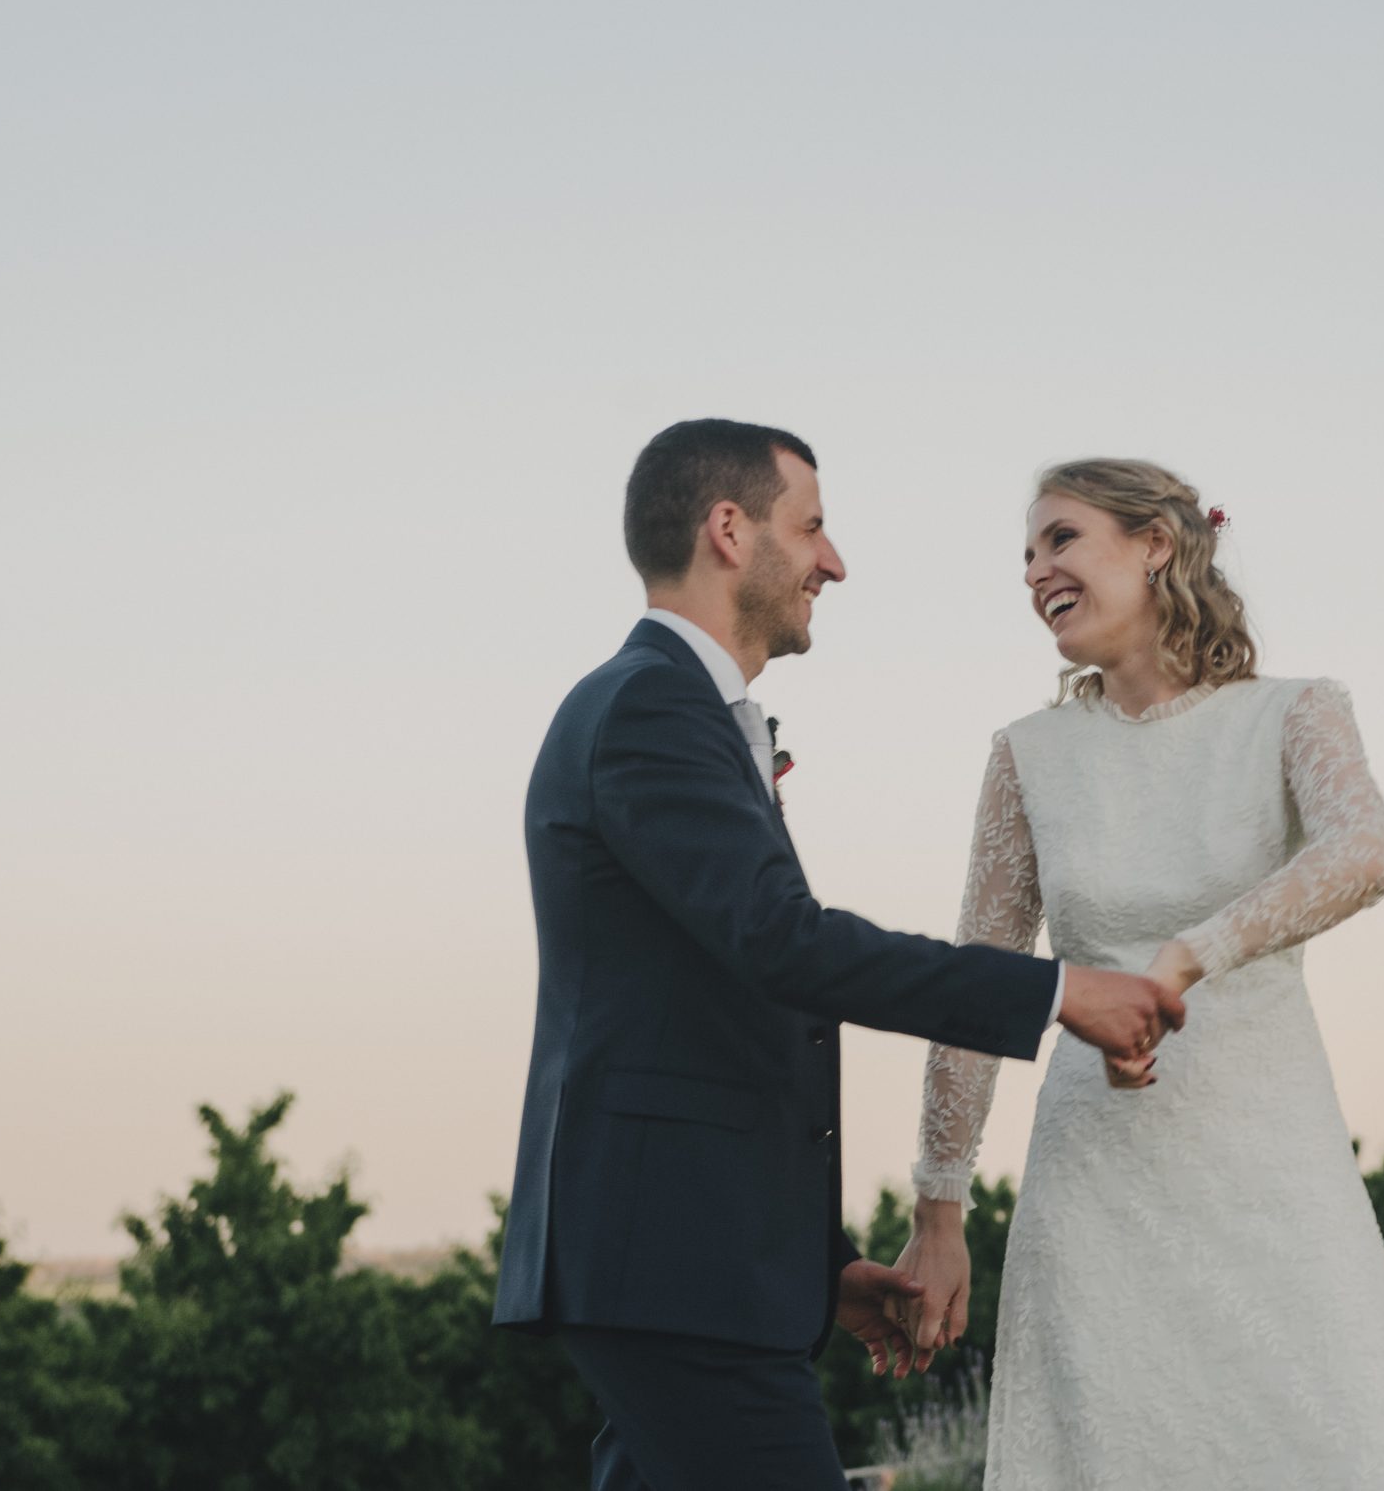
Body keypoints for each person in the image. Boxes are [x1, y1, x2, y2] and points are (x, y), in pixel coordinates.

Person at [493, 420, 1189, 1491]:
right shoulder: (649, 704)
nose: (834, 560)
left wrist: (822, 1270)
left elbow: (715, 1008)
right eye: (811, 526)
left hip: (683, 1265)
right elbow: (785, 945)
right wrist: (1056, 990)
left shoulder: (674, 708)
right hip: (672, 1270)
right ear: (730, 531)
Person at [891, 456, 1384, 1489]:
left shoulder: (1294, 711)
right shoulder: (1028, 755)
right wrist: (939, 1209)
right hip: (1095, 1187)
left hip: (1273, 1168)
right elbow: (976, 984)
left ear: (1155, 543)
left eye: (1061, 538)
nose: (1035, 570)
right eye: (1026, 554)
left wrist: (1189, 955)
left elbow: (1366, 851)